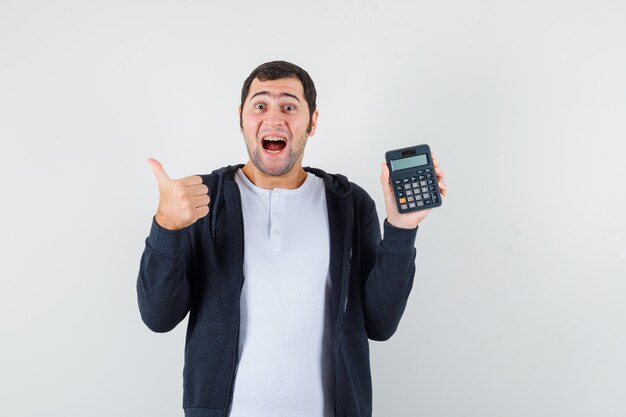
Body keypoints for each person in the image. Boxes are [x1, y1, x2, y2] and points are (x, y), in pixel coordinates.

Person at [137, 60, 447, 417]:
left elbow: (380, 323)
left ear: (312, 122)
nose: (274, 119)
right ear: (241, 118)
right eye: (260, 105)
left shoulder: (349, 203)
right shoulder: (201, 199)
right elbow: (158, 316)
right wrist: (167, 226)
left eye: (289, 106)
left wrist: (401, 228)